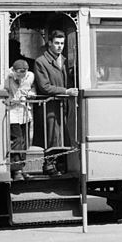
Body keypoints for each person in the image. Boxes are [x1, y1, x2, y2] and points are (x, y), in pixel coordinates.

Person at [34, 30, 78, 176]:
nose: (60, 46)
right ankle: (49, 165)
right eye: (57, 43)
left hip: (62, 105)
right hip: (50, 106)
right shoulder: (41, 61)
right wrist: (66, 91)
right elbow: (44, 86)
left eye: (62, 43)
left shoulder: (64, 61)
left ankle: (59, 164)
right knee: (52, 135)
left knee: (61, 135)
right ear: (50, 43)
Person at [4, 59, 35, 181]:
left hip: (24, 112)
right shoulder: (7, 76)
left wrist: (31, 94)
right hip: (12, 112)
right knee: (17, 139)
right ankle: (16, 170)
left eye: (24, 72)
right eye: (19, 72)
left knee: (25, 141)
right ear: (14, 70)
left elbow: (32, 88)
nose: (21, 75)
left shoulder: (30, 76)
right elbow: (3, 90)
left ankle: (22, 167)